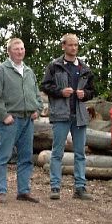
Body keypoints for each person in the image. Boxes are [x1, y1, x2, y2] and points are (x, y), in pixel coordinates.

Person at [41, 33, 95, 200]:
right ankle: (55, 187)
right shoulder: (54, 66)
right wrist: (60, 92)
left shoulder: (84, 68)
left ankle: (80, 187)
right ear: (63, 46)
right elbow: (45, 86)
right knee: (57, 152)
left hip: (79, 115)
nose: (74, 48)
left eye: (76, 45)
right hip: (60, 115)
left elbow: (93, 91)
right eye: (71, 45)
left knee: (80, 153)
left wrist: (84, 95)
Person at [0, 38, 43, 204]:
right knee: (3, 156)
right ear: (9, 52)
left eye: (22, 48)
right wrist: (4, 115)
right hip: (11, 120)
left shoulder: (29, 71)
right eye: (16, 49)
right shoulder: (1, 70)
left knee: (26, 157)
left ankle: (23, 191)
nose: (20, 51)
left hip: (28, 120)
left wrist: (38, 109)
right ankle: (0, 191)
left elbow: (36, 93)